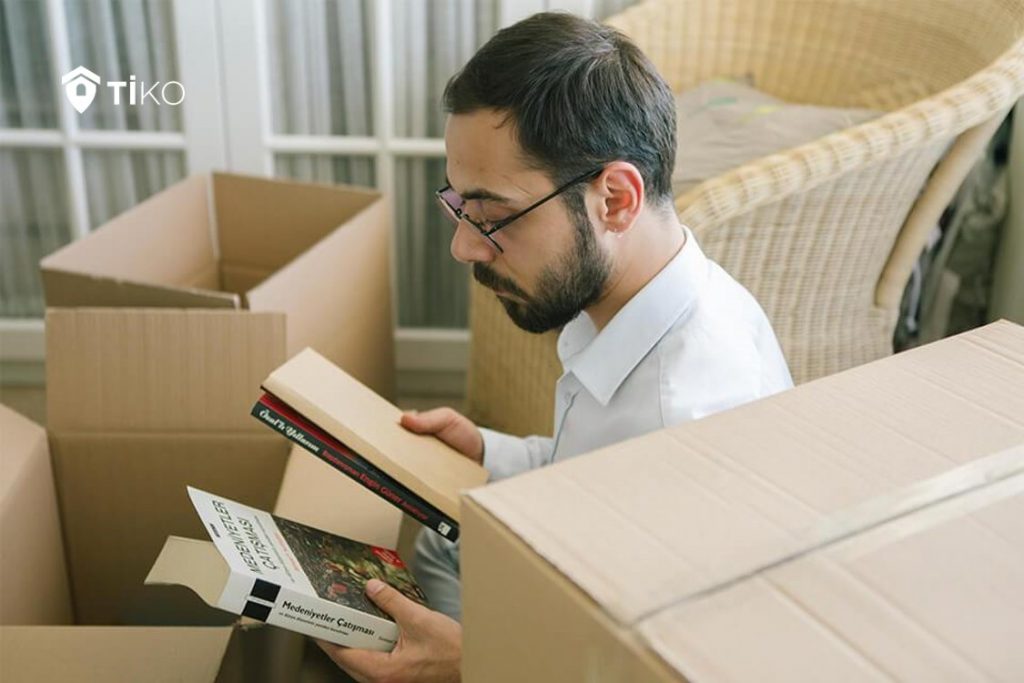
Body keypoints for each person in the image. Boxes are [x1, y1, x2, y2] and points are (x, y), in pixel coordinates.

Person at [318, 11, 793, 682]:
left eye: (490, 217)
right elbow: (597, 475)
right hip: (596, 573)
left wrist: (473, 661)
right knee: (440, 545)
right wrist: (491, 450)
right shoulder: (650, 295)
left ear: (616, 200)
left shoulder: (682, 420)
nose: (463, 247)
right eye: (460, 209)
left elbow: (671, 664)